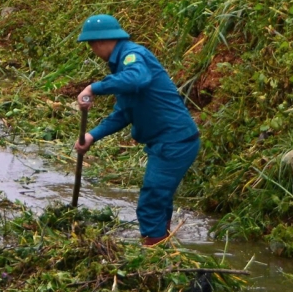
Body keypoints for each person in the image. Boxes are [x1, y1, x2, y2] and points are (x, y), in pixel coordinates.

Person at [73, 15, 200, 246]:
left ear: (100, 42)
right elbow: (123, 113)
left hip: (174, 141)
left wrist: (94, 87)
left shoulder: (133, 57)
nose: (92, 49)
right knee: (159, 199)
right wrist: (91, 135)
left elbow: (138, 78)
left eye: (91, 44)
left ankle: (153, 254)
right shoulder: (122, 66)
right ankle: (164, 245)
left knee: (151, 202)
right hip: (167, 141)